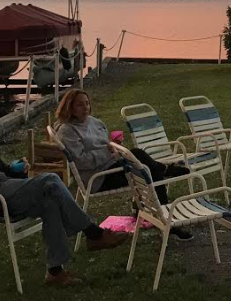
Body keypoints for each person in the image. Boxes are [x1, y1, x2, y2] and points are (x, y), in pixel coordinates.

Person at [0, 103, 125, 287]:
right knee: (51, 180)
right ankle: (93, 232)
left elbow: (3, 171)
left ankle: (55, 272)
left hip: (10, 189)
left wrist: (18, 168)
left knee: (50, 202)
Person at [52, 88, 193, 240]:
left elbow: (105, 145)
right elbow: (81, 161)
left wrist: (115, 145)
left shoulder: (93, 122)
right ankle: (166, 218)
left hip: (113, 164)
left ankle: (153, 211)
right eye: (80, 105)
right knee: (144, 164)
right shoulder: (67, 130)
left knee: (143, 164)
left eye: (87, 103)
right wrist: (109, 151)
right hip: (99, 177)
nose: (85, 108)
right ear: (70, 107)